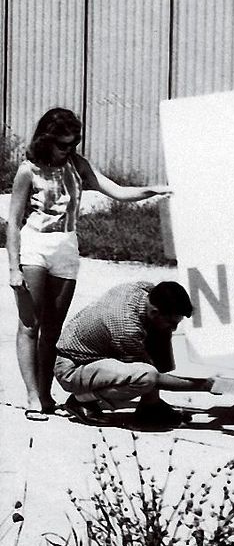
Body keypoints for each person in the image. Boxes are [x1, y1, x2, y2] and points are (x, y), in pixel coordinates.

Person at [5, 107, 172, 419]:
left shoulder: (77, 166)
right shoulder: (29, 170)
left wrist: (154, 190)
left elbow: (117, 191)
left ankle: (45, 394)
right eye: (62, 144)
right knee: (31, 324)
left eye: (74, 143)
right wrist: (13, 267)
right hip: (35, 247)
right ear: (46, 139)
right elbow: (13, 222)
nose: (68, 149)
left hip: (67, 247)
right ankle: (31, 396)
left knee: (53, 330)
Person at [53, 280, 218, 427]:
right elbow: (154, 378)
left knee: (160, 330)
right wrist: (205, 385)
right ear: (155, 311)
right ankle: (82, 401)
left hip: (94, 354)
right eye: (173, 322)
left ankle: (150, 407)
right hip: (73, 367)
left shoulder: (143, 291)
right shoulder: (128, 328)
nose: (175, 328)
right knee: (146, 377)